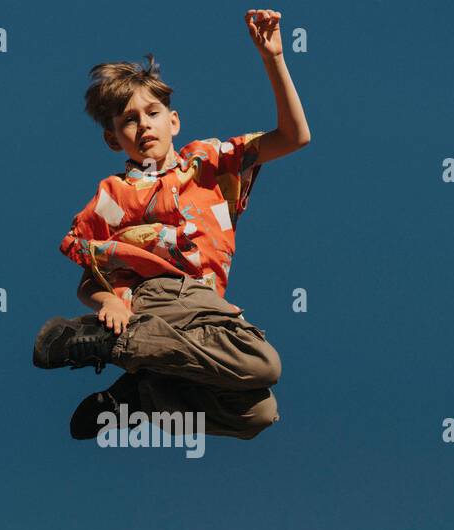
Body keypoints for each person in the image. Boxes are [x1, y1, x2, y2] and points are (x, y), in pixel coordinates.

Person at [32, 9, 311, 441]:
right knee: (263, 363)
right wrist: (110, 305)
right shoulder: (116, 194)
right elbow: (90, 278)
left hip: (204, 312)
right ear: (113, 139)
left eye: (152, 113)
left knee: (256, 413)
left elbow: (294, 137)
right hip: (160, 298)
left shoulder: (210, 164)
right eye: (128, 120)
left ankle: (141, 396)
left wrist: (273, 57)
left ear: (173, 120)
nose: (143, 124)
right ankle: (111, 343)